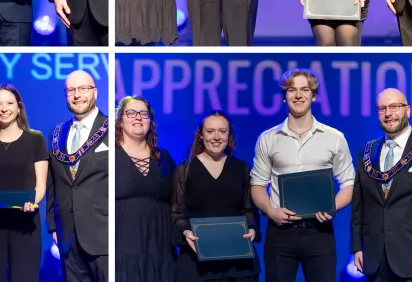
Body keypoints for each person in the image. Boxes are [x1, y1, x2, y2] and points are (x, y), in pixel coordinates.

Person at [250, 68, 355, 282]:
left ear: (313, 96)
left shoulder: (334, 138)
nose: (298, 95)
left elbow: (349, 183)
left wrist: (331, 206)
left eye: (305, 90)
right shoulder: (268, 139)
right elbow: (257, 186)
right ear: (284, 97)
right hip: (280, 232)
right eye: (292, 90)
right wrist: (271, 211)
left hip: (320, 232)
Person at [172, 111, 260, 282]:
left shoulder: (242, 168)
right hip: (198, 258)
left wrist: (252, 229)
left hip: (238, 260)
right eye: (210, 131)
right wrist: (185, 231)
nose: (216, 137)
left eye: (222, 131)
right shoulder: (185, 169)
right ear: (201, 135)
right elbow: (177, 213)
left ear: (229, 136)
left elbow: (248, 210)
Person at [0, 84, 49, 282]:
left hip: (25, 222)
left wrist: (33, 202)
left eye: (9, 103)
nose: (4, 108)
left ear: (18, 107)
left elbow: (41, 185)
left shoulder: (35, 140)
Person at [47, 70, 109, 281]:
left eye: (83, 89)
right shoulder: (55, 134)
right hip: (68, 237)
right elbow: (52, 183)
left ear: (95, 93)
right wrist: (52, 225)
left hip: (105, 235)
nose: (77, 95)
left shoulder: (114, 129)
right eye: (71, 90)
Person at [351, 88, 412, 282]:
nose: (388, 114)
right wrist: (357, 246)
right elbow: (359, 204)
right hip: (374, 257)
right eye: (382, 109)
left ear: (408, 111)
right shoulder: (366, 152)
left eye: (394, 107)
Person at [115, 96, 176, 282]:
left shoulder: (163, 158)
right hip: (123, 247)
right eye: (131, 113)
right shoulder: (108, 157)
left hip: (159, 247)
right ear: (120, 120)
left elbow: (178, 201)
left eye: (144, 113)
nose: (138, 117)